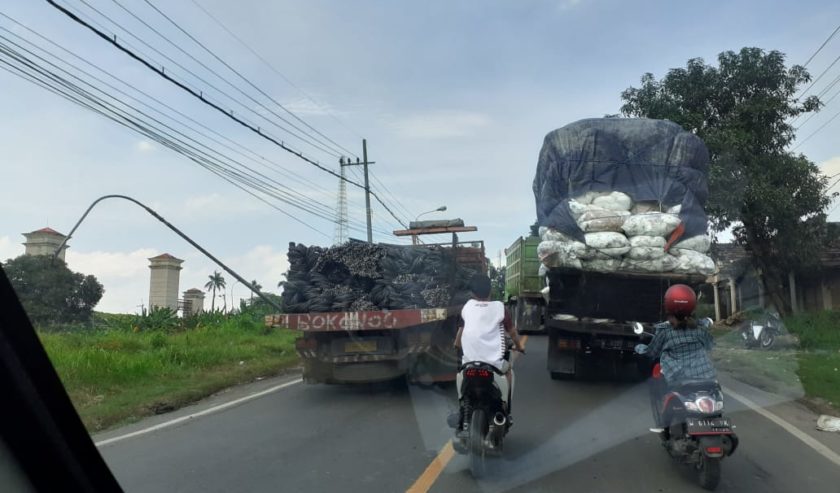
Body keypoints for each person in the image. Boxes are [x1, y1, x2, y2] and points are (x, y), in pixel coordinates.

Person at [635, 284, 716, 428]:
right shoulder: (700, 328)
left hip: (679, 378)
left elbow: (652, 352)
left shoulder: (664, 331)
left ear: (668, 305)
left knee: (661, 386)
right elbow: (711, 346)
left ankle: (664, 425)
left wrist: (640, 348)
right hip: (706, 377)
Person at [453, 273, 523, 437]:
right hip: (494, 365)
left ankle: (462, 413)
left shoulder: (467, 307)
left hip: (469, 363)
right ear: (491, 290)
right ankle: (505, 407)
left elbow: (460, 333)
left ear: (472, 293)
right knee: (508, 371)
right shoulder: (500, 308)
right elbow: (512, 332)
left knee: (461, 379)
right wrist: (519, 346)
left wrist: (456, 346)